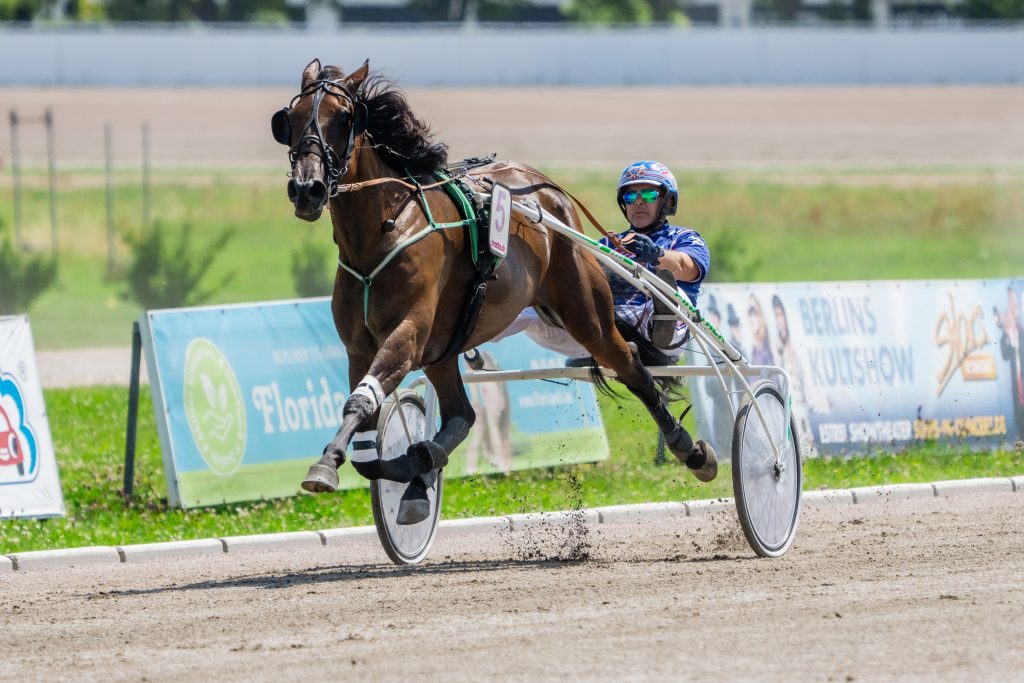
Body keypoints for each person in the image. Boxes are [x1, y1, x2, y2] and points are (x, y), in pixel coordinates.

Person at [484, 160, 711, 364]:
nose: (639, 202)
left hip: (658, 332)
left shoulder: (685, 238)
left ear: (667, 201)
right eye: (631, 197)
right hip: (600, 333)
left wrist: (655, 254)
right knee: (527, 304)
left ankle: (663, 323)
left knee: (672, 293)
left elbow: (684, 267)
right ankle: (472, 330)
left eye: (649, 196)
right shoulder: (607, 244)